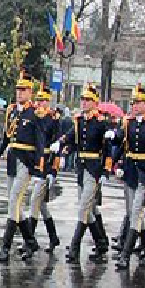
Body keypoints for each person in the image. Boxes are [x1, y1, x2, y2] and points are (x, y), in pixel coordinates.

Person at [51, 83, 111, 265]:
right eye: (83, 100)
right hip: (81, 167)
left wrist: (106, 170)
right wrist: (60, 144)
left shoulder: (101, 123)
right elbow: (71, 137)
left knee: (84, 207)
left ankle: (74, 247)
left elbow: (107, 150)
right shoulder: (79, 121)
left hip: (94, 168)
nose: (84, 103)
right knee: (89, 209)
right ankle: (101, 242)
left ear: (95, 103)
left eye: (88, 100)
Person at [0, 70, 45, 264]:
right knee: (14, 204)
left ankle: (5, 247)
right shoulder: (12, 111)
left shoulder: (35, 114)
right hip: (12, 161)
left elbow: (40, 142)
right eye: (18, 90)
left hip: (26, 161)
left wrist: (39, 167)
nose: (19, 93)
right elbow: (8, 137)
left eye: (23, 90)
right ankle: (30, 241)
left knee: (15, 199)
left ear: (30, 93)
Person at [109, 84, 145, 270]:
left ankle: (125, 255)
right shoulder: (129, 123)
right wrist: (113, 164)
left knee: (136, 214)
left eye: (138, 102)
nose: (134, 105)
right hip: (130, 171)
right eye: (133, 103)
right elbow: (122, 142)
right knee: (134, 212)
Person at [24, 87, 62, 256]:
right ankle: (53, 237)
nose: (40, 103)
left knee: (34, 202)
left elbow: (57, 147)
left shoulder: (53, 119)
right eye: (38, 100)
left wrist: (53, 171)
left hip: (46, 163)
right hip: (34, 163)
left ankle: (29, 242)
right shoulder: (33, 116)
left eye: (43, 100)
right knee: (42, 206)